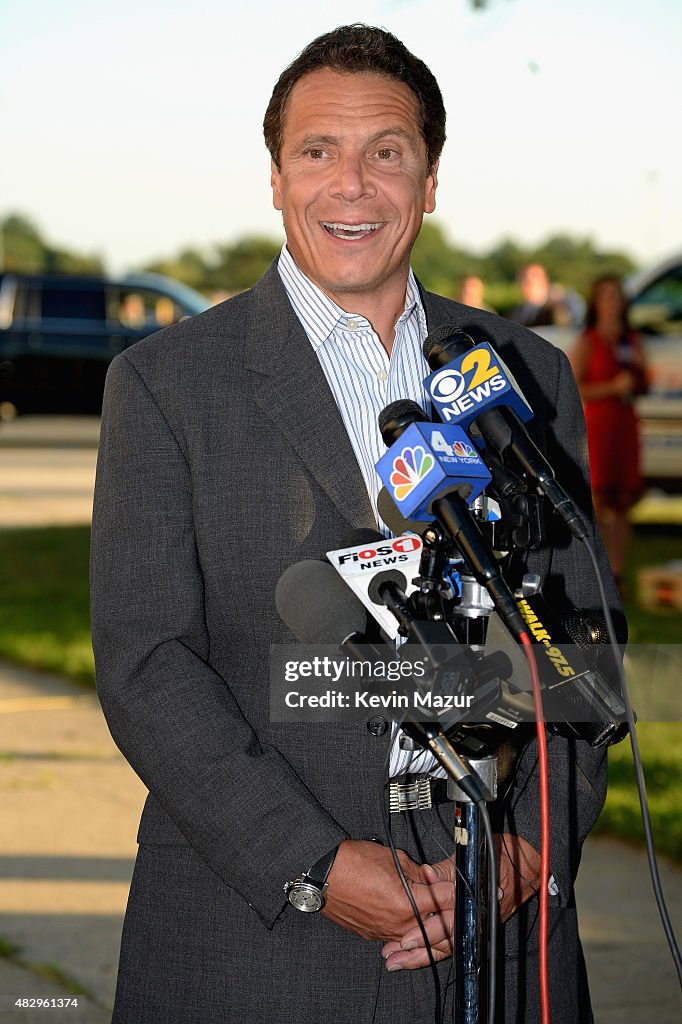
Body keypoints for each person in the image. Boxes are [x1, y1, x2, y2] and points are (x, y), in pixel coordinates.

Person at [90, 24, 623, 1024]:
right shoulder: (165, 384)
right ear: (277, 178)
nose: (352, 183)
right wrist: (314, 863)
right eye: (317, 151)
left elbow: (577, 644)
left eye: (386, 152)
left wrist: (525, 848)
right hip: (257, 933)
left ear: (428, 181)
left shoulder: (526, 375)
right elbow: (147, 661)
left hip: (497, 934)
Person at [570, 275, 648, 591]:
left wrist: (638, 375)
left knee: (624, 498)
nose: (613, 302)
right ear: (596, 302)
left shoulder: (631, 340)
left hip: (625, 420)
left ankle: (618, 571)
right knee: (599, 495)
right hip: (599, 422)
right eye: (606, 296)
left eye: (617, 295)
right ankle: (596, 570)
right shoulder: (588, 340)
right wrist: (611, 387)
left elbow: (643, 384)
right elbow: (576, 386)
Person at [509, 263, 575, 329]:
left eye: (529, 282)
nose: (523, 286)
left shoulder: (556, 309)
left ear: (545, 282)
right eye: (521, 280)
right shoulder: (517, 312)